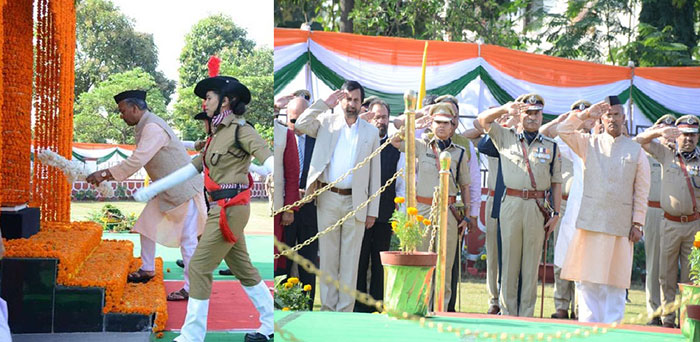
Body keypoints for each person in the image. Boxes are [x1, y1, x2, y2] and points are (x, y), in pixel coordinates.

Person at [133, 76, 275, 342]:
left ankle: (192, 336)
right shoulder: (215, 136)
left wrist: (274, 169)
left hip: (230, 208)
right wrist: (153, 189)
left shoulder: (240, 131)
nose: (204, 102)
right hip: (218, 207)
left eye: (209, 97)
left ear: (226, 102)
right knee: (243, 267)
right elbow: (190, 169)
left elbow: (266, 156)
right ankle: (269, 326)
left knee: (198, 267)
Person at [86, 90, 207, 302]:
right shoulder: (147, 125)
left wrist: (104, 174)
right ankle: (148, 268)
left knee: (188, 241)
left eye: (123, 111)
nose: (121, 116)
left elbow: (136, 161)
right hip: (165, 188)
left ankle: (192, 288)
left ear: (135, 108)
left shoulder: (152, 127)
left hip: (184, 188)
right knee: (146, 225)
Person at [557, 96, 649, 324]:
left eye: (617, 114)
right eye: (608, 115)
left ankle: (612, 332)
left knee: (615, 283)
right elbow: (563, 130)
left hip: (620, 227)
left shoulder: (636, 151)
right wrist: (586, 114)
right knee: (587, 282)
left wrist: (638, 223)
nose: (613, 119)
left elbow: (642, 190)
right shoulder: (589, 143)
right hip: (591, 224)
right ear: (602, 118)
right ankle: (588, 330)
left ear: (623, 118)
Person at [295, 81, 381, 312]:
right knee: (329, 258)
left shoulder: (371, 132)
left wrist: (372, 210)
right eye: (347, 99)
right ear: (341, 100)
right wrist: (324, 103)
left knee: (351, 261)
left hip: (357, 202)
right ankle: (328, 309)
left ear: (361, 103)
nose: (351, 104)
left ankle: (345, 311)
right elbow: (301, 124)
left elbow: (375, 173)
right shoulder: (326, 122)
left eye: (355, 100)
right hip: (328, 198)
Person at [476, 94, 562, 317]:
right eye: (528, 112)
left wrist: (556, 213)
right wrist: (504, 109)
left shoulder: (551, 147)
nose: (533, 117)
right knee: (510, 262)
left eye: (537, 113)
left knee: (531, 263)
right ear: (520, 114)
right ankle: (507, 311)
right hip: (511, 204)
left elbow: (556, 183)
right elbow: (483, 120)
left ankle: (527, 314)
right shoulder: (505, 136)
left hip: (537, 207)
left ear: (542, 116)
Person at [391, 103, 471, 310]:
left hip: (449, 211)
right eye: (437, 123)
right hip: (424, 208)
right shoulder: (421, 145)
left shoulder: (460, 153)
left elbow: (465, 184)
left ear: (453, 126)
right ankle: (418, 305)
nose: (441, 127)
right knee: (421, 258)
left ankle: (441, 308)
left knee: (445, 262)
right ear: (431, 124)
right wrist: (416, 118)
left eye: (446, 123)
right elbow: (395, 140)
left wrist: (468, 215)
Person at [634, 114, 700, 328]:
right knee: (666, 275)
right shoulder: (665, 154)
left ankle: (687, 319)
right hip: (669, 223)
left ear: (698, 136)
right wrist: (659, 132)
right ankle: (667, 320)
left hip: (694, 226)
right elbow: (639, 141)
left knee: (691, 277)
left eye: (692, 135)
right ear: (676, 135)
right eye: (684, 134)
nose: (688, 139)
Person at [539, 100, 596, 319]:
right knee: (562, 254)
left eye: (586, 115)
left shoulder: (596, 141)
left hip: (588, 205)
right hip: (563, 204)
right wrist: (565, 119)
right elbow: (545, 134)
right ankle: (562, 304)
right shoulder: (563, 140)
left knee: (585, 256)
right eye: (579, 114)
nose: (584, 119)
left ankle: (582, 306)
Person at [355, 99, 404, 312]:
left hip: (384, 215)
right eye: (376, 116)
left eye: (384, 117)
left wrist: (399, 214)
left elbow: (401, 184)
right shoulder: (359, 142)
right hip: (359, 213)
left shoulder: (396, 147)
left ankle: (377, 306)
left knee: (379, 262)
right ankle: (357, 306)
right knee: (358, 260)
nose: (380, 121)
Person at [277, 95, 320, 310]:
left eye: (303, 119)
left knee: (308, 262)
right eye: (293, 120)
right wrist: (292, 199)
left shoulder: (319, 139)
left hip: (311, 208)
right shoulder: (282, 139)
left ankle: (307, 308)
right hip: (286, 209)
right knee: (284, 261)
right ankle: (283, 305)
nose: (297, 125)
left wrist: (309, 192)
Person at [477, 111, 520, 315]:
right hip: (497, 199)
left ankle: (512, 299)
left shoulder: (523, 139)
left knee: (513, 255)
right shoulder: (498, 138)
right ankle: (495, 298)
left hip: (519, 201)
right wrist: (504, 123)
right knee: (494, 253)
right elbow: (483, 145)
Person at [636, 114, 677, 326]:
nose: (668, 136)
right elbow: (638, 141)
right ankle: (654, 311)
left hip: (676, 217)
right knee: (654, 264)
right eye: (664, 130)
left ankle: (672, 311)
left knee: (672, 267)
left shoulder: (680, 157)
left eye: (672, 131)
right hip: (652, 212)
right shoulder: (647, 154)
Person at [272, 95, 301, 278]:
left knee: (275, 257)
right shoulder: (251, 131)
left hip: (277, 206)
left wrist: (290, 208)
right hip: (254, 200)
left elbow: (292, 174)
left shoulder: (285, 134)